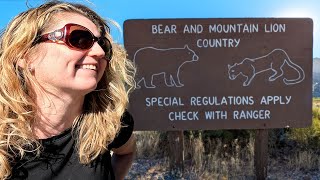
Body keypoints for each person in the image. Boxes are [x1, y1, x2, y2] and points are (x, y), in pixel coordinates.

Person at [0, 0, 136, 179]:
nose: (99, 52)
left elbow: (126, 152)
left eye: (102, 44)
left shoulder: (109, 122)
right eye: (79, 39)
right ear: (26, 55)